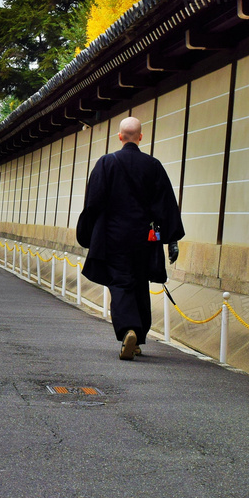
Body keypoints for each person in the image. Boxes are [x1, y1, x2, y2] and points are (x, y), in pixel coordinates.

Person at [76, 117, 184, 361]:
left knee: (121, 283)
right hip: (145, 238)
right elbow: (165, 204)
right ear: (141, 137)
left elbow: (93, 202)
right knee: (139, 284)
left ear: (120, 136)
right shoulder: (153, 166)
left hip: (113, 237)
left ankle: (129, 330)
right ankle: (138, 339)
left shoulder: (106, 163)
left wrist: (86, 233)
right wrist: (171, 238)